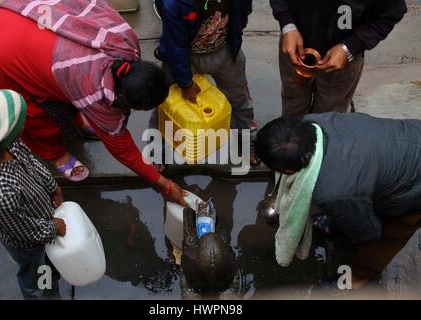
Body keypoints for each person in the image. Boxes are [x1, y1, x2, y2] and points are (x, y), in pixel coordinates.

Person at [0, 0, 187, 206]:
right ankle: (55, 153)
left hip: (31, 13)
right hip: (0, 49)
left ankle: (77, 123)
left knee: (65, 94)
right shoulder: (91, 90)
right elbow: (123, 150)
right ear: (122, 99)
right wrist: (165, 186)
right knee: (40, 116)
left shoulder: (125, 40)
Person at [255, 112, 421, 289]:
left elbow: (369, 233)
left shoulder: (333, 191)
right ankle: (340, 222)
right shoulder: (317, 121)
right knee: (352, 207)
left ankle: (357, 278)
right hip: (411, 136)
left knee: (386, 236)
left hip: (414, 188)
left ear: (288, 172)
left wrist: (356, 227)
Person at [0, 90, 65, 299]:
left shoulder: (7, 143)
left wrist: (53, 187)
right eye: (21, 121)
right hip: (29, 244)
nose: (25, 123)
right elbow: (24, 231)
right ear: (3, 133)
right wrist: (54, 227)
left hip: (42, 219)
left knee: (50, 267)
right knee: (35, 275)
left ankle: (51, 282)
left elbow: (31, 162)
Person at [152, 0, 259, 164]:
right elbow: (175, 45)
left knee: (240, 101)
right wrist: (185, 83)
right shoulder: (174, 4)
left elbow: (244, 11)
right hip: (184, 57)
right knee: (165, 104)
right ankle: (157, 150)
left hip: (225, 51)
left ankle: (245, 140)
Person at [269, 0, 407, 118]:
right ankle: (290, 145)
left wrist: (349, 48)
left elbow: (390, 14)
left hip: (343, 58)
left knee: (329, 114)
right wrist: (287, 26)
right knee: (293, 105)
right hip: (295, 46)